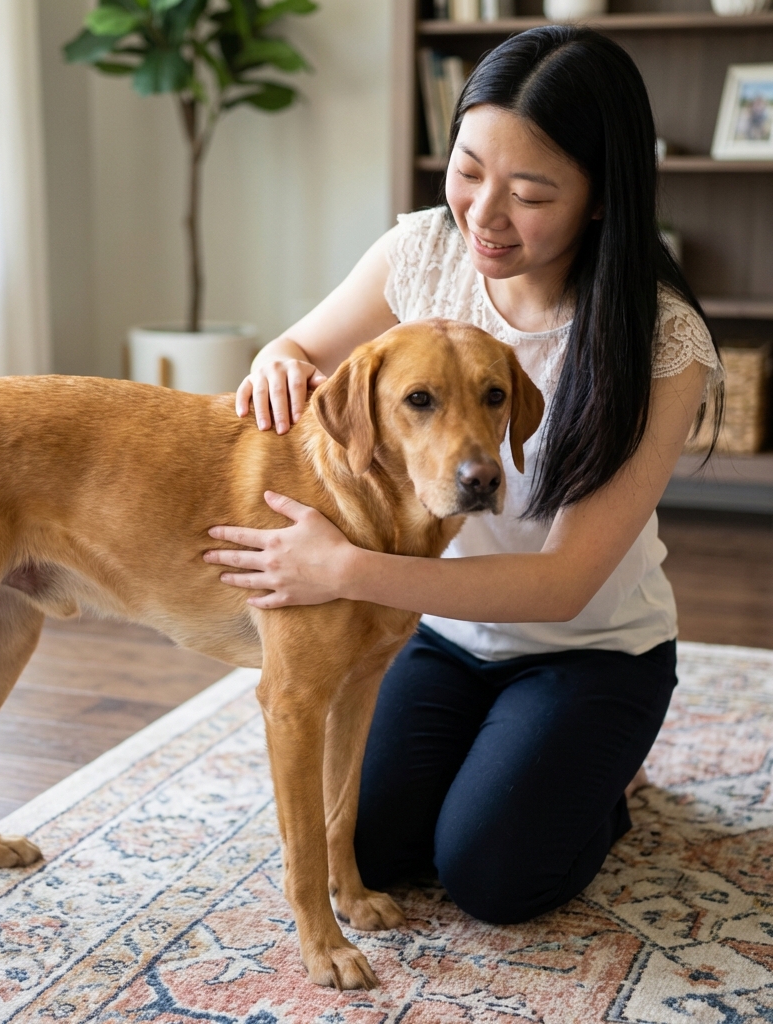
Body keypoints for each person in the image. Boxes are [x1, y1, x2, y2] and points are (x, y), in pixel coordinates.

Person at [203, 25, 724, 925]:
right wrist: (280, 360)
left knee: (492, 874)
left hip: (588, 650)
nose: (483, 214)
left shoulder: (659, 339)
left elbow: (564, 585)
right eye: (468, 169)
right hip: (439, 633)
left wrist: (344, 571)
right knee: (367, 849)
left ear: (601, 200)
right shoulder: (421, 250)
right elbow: (297, 348)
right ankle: (516, 759)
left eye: (528, 193)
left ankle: (604, 783)